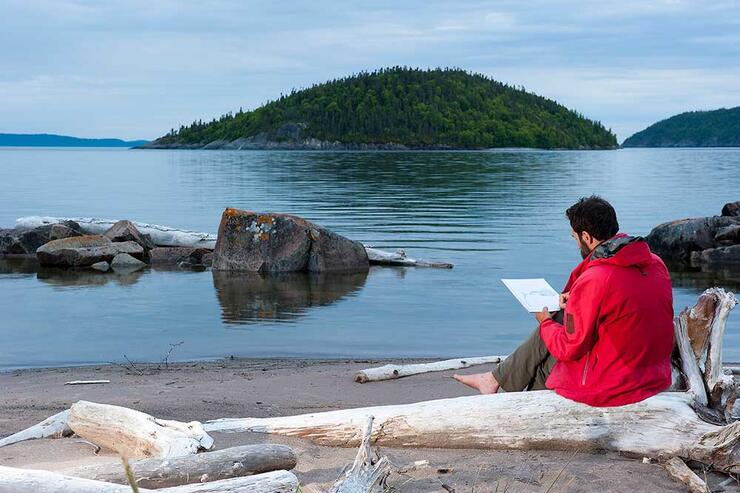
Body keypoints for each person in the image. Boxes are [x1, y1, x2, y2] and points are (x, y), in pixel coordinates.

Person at [453, 196, 674, 407]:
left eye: (574, 237)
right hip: (652, 370)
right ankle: (494, 379)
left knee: (547, 359)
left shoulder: (598, 278)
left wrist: (544, 321)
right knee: (557, 319)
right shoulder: (654, 262)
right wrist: (575, 302)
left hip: (619, 381)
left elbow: (569, 348)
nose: (576, 243)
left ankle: (523, 410)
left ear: (586, 237)